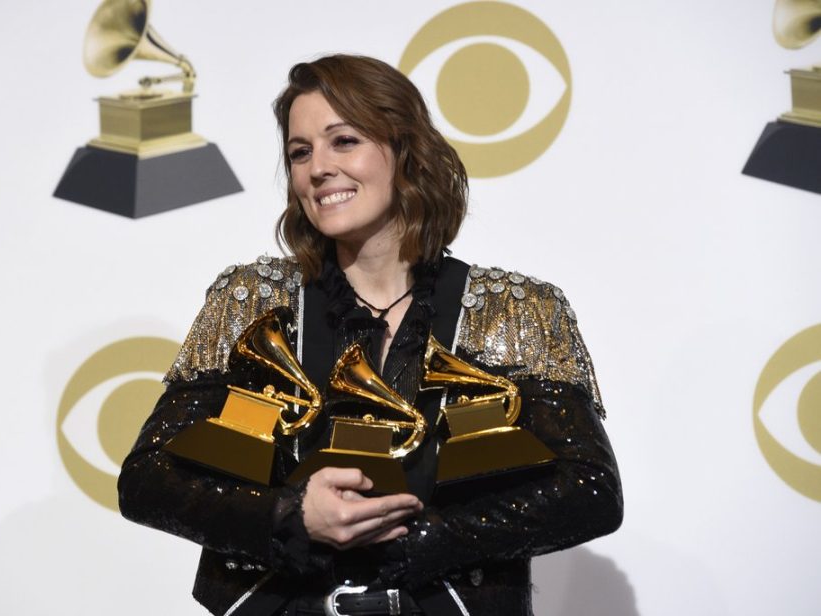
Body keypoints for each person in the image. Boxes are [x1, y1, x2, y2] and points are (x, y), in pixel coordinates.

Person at [118, 54, 622, 616]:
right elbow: (147, 480)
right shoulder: (250, 302)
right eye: (300, 151)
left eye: (344, 141)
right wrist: (290, 517)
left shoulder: (518, 310)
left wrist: (425, 538)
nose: (318, 168)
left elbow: (590, 492)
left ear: (406, 152)